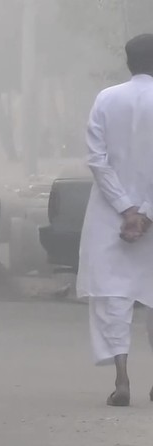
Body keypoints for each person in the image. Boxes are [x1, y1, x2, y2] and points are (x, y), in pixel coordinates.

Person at [77, 33, 153, 407]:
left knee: (114, 298)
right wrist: (146, 211)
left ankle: (122, 379)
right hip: (150, 219)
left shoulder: (106, 99)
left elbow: (97, 159)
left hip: (111, 215)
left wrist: (126, 209)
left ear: (128, 61)